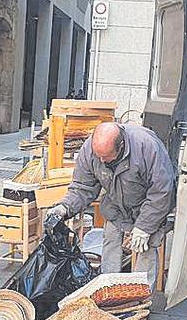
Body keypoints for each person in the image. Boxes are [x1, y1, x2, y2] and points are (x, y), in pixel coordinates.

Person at [44, 122, 175, 287]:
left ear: (120, 146)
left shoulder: (146, 146)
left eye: (105, 156)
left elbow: (162, 191)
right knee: (111, 244)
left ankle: (142, 299)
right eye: (98, 155)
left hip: (147, 207)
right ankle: (107, 290)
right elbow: (82, 187)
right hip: (115, 207)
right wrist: (64, 207)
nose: (101, 160)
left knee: (145, 248)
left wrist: (145, 227)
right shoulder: (90, 149)